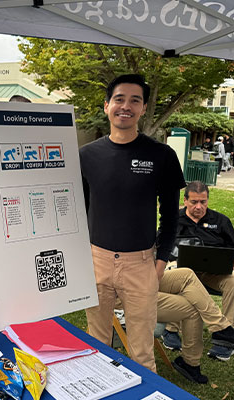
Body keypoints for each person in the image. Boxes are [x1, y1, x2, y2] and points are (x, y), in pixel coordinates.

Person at [79, 74, 186, 372]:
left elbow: (170, 215)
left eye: (134, 100)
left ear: (143, 108)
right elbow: (80, 209)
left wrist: (160, 262)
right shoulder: (87, 155)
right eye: (119, 99)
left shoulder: (161, 155)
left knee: (141, 352)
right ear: (107, 106)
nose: (126, 106)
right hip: (96, 260)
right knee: (96, 345)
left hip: (141, 264)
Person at [164, 181, 234, 361]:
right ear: (185, 201)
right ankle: (171, 330)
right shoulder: (173, 220)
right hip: (181, 269)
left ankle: (229, 336)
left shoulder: (221, 221)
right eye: (194, 202)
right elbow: (159, 245)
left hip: (214, 272)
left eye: (203, 202)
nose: (199, 207)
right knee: (173, 272)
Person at [158, 268, 234, 383]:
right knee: (188, 279)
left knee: (190, 279)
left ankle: (190, 362)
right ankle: (222, 330)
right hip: (142, 282)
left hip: (208, 270)